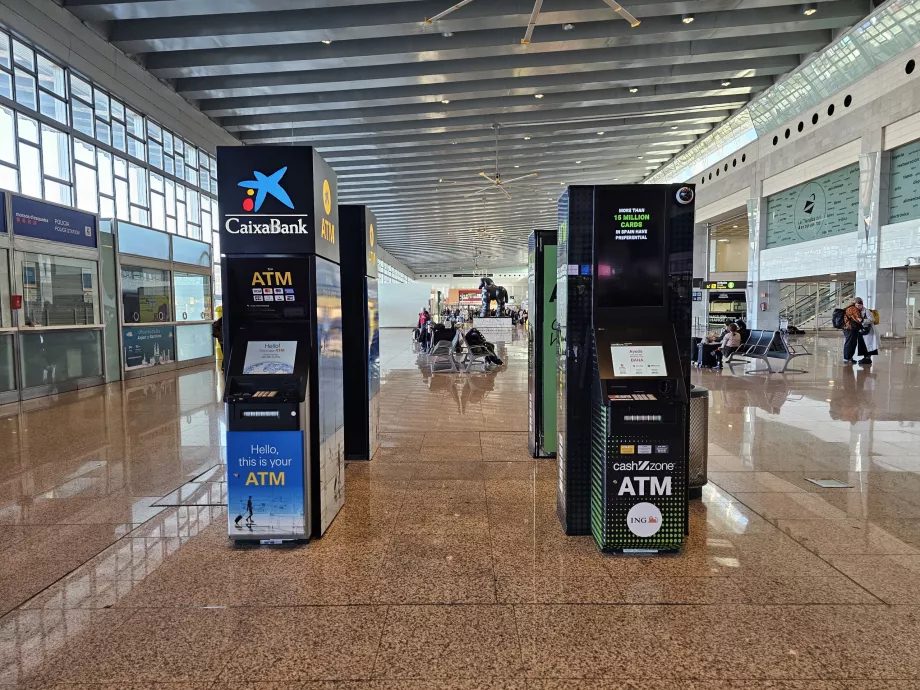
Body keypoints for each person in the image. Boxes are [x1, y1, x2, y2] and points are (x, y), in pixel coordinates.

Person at [842, 297, 872, 365]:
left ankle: (849, 358)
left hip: (849, 328)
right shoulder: (853, 309)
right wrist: (862, 320)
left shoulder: (850, 307)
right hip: (850, 328)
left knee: (852, 343)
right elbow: (857, 319)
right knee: (850, 343)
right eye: (857, 305)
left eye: (859, 305)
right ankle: (847, 359)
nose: (858, 306)